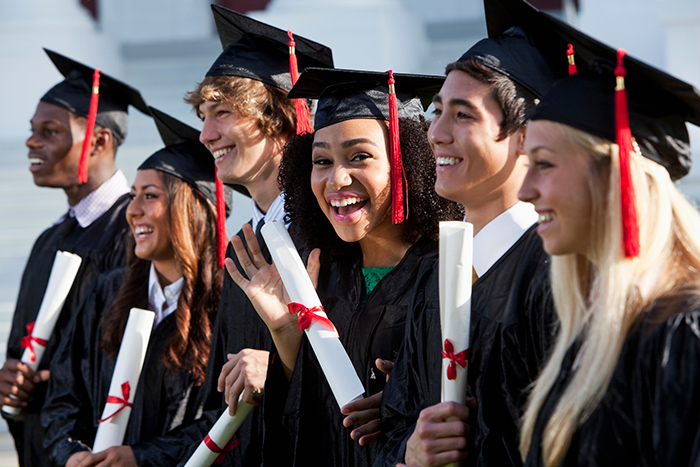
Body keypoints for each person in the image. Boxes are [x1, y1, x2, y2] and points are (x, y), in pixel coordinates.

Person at [228, 67, 463, 467]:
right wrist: (286, 338)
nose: (336, 178)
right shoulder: (320, 280)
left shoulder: (450, 274)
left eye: (359, 157)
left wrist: (399, 407)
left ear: (407, 163)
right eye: (321, 161)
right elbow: (299, 433)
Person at [135, 6, 334, 466]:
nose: (206, 135)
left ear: (279, 116)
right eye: (204, 116)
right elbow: (217, 406)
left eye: (222, 113)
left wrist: (283, 369)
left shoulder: (328, 232)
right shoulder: (245, 243)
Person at [375, 1, 568, 465]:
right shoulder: (434, 277)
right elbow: (397, 423)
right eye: (437, 111)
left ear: (525, 136)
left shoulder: (557, 274)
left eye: (462, 115)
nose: (435, 132)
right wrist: (413, 452)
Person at [515, 15, 700, 467]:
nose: (525, 190)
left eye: (545, 164)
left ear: (617, 176)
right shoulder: (591, 322)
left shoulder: (683, 331)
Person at [41, 107, 233, 467]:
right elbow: (63, 398)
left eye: (150, 195)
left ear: (190, 209)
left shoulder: (227, 304)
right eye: (133, 195)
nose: (132, 210)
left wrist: (140, 459)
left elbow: (226, 421)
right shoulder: (107, 293)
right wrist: (74, 455)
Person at [1, 49, 150, 467]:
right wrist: (12, 379)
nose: (32, 141)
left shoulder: (135, 234)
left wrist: (58, 384)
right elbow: (23, 345)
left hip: (95, 450)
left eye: (49, 131)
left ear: (100, 140)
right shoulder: (49, 239)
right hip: (43, 443)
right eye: (33, 130)